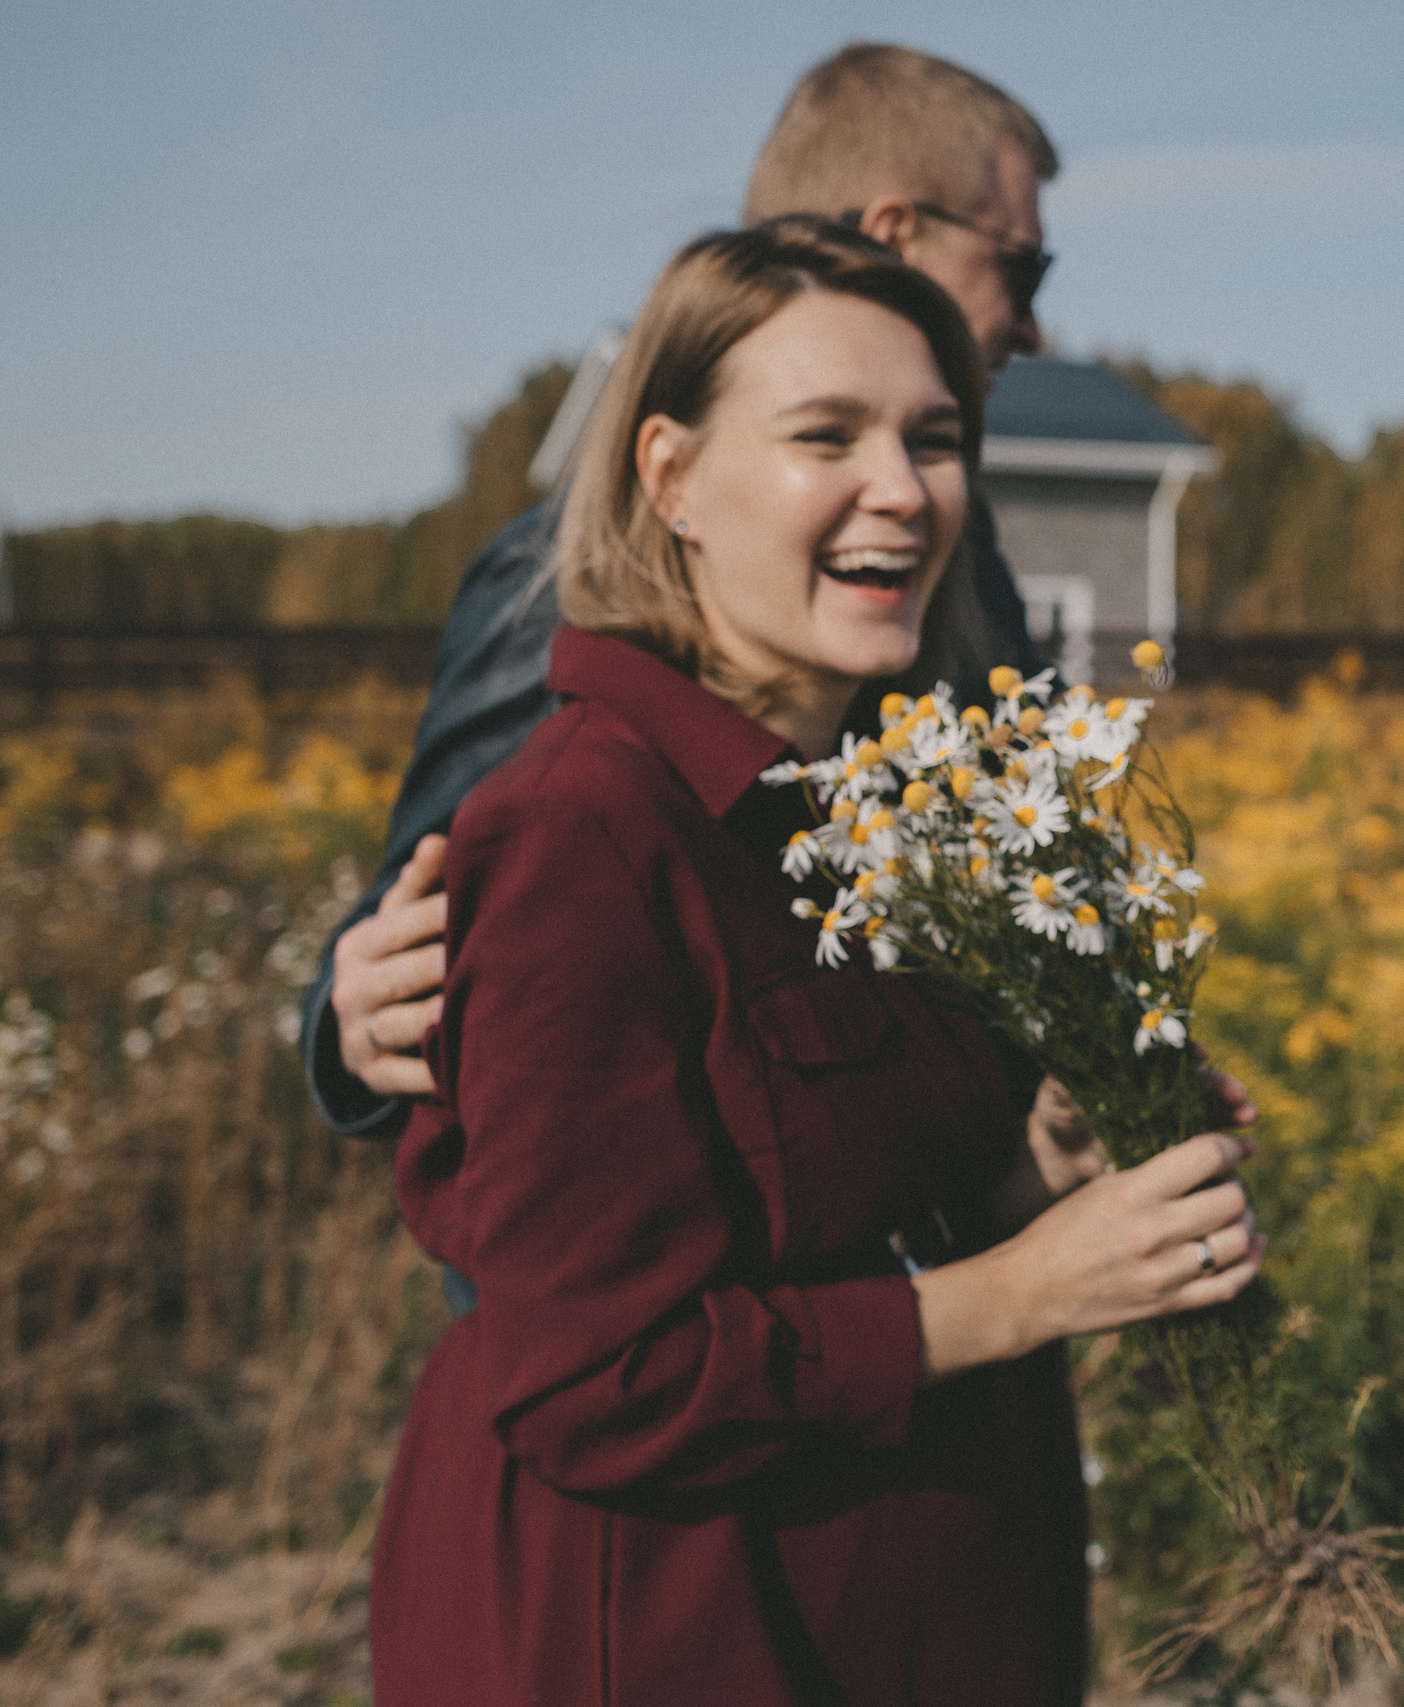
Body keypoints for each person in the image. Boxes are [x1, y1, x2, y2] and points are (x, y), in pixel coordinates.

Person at [366, 219, 1265, 1705]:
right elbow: (600, 1373)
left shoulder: (883, 803)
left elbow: (837, 1203)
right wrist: (1026, 1289)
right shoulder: (581, 831)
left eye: (933, 437)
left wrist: (1049, 1176)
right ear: (671, 477)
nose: (904, 492)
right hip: (680, 1630)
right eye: (825, 436)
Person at [301, 44, 1065, 1145]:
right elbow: (437, 947)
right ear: (895, 232)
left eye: (929, 445)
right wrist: (349, 1016)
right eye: (1021, 270)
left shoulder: (953, 531)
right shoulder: (566, 571)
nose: (1036, 329)